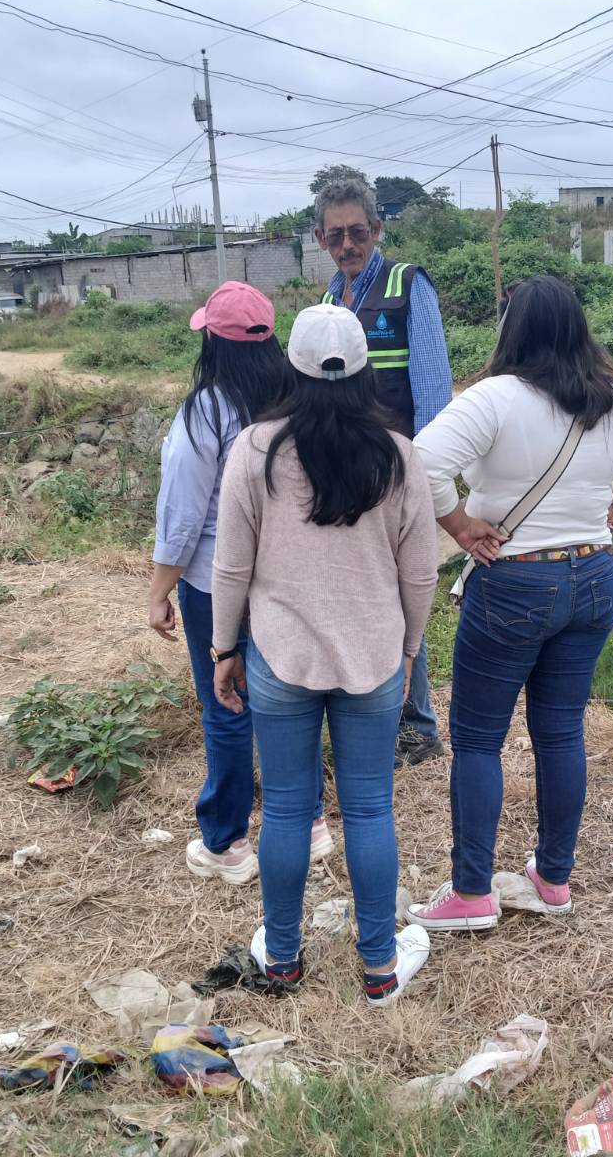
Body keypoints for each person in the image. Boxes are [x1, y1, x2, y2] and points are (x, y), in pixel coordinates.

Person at [406, 276, 613, 932]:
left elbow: (421, 464)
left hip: (514, 581)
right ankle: (553, 878)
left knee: (478, 740)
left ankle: (472, 892)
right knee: (561, 731)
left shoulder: (493, 399)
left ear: (510, 329)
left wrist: (460, 526)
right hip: (593, 575)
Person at [211, 303, 438, 1006]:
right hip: (373, 655)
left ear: (292, 367)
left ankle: (281, 959)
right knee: (369, 809)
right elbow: (420, 573)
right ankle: (378, 968)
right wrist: (410, 649)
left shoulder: (255, 449)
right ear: (366, 370)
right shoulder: (398, 455)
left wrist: (224, 647)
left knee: (284, 810)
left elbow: (231, 566)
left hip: (281, 656)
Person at [148, 281, 330, 886]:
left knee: (225, 703)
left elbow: (182, 511)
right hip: (287, 578)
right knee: (291, 698)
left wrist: (159, 590)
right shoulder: (298, 400)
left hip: (215, 582)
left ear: (213, 343)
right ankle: (309, 821)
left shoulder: (206, 411)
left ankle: (227, 842)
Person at [314, 175, 452, 769]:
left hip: (397, 476)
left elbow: (434, 389)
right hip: (344, 477)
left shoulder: (408, 286)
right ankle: (377, 714)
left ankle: (417, 728)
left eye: (358, 231)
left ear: (377, 229)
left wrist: (424, 478)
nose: (348, 244)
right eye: (335, 235)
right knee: (360, 594)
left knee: (399, 596)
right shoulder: (327, 299)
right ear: (320, 239)